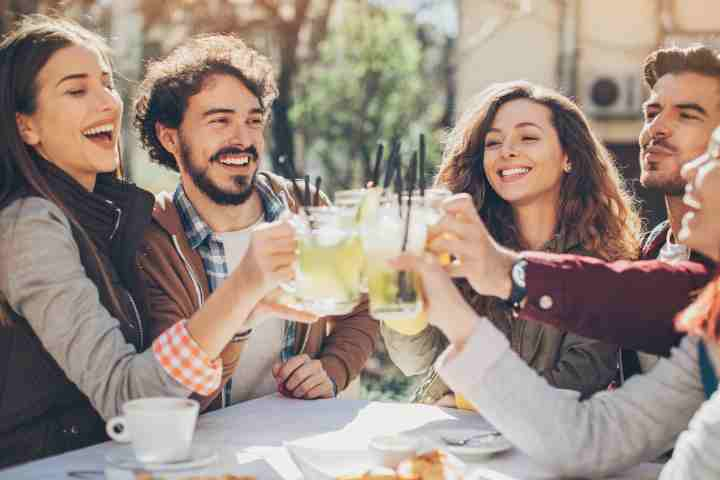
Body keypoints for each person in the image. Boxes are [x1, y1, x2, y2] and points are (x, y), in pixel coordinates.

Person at [0, 16, 300, 467]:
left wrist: (245, 309)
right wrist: (241, 287)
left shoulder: (101, 217)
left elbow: (160, 378)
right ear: (26, 127)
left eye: (106, 83)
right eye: (77, 90)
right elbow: (130, 401)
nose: (107, 102)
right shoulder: (32, 226)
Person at [392, 100, 720, 479]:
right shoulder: (718, 326)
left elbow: (609, 304)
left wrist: (504, 277)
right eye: (493, 142)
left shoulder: (609, 259)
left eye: (717, 155)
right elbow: (589, 441)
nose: (691, 168)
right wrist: (440, 307)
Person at [432, 46, 720, 368]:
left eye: (687, 115)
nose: (655, 129)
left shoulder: (718, 266)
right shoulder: (648, 250)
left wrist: (509, 273)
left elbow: (620, 295)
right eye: (651, 113)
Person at [132, 34, 379, 408]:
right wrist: (241, 316)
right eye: (220, 121)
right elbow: (175, 392)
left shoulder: (306, 205)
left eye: (253, 120)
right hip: (208, 453)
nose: (243, 139)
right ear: (169, 137)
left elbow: (361, 304)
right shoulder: (152, 242)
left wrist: (333, 367)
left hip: (299, 444)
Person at [382, 81, 640, 405]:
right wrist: (400, 289)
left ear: (569, 157)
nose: (507, 151)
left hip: (543, 446)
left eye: (528, 137)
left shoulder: (603, 256)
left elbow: (584, 376)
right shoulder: (461, 242)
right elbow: (413, 360)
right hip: (448, 436)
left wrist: (472, 401)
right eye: (493, 142)